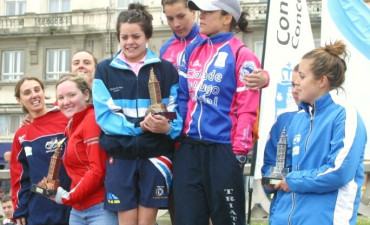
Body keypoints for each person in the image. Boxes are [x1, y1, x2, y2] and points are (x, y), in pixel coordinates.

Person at [172, 0, 262, 224]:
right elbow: (184, 96)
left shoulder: (243, 55)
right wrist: (179, 134)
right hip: (189, 148)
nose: (201, 16)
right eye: (200, 11)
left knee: (227, 220)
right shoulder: (193, 49)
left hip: (223, 150)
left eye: (208, 12)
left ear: (227, 17)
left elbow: (247, 109)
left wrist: (239, 153)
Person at [92, 3, 182, 225]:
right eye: (124, 37)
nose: (130, 42)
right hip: (121, 155)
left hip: (155, 154)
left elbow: (176, 111)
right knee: (127, 221)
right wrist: (139, 126)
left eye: (136, 36)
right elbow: (105, 117)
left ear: (147, 36)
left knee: (146, 222)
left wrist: (168, 127)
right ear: (118, 38)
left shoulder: (165, 69)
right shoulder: (105, 69)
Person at [271, 41, 367, 225]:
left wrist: (291, 180)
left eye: (303, 76)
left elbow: (339, 171)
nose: (296, 82)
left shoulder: (345, 115)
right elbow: (283, 170)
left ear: (322, 81)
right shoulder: (297, 119)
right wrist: (272, 181)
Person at [50, 74, 118, 225]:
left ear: (86, 94)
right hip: (78, 209)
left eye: (71, 95)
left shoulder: (91, 119)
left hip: (100, 208)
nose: (65, 102)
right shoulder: (71, 126)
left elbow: (97, 170)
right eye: (60, 98)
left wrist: (68, 197)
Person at [160, 0, 269, 90]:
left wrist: (264, 78)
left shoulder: (210, 39)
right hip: (177, 113)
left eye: (181, 16)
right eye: (170, 18)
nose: (176, 24)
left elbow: (242, 62)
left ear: (193, 12)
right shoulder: (165, 49)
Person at [10, 77, 71, 225]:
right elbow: (19, 178)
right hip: (39, 212)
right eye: (27, 92)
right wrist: (20, 209)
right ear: (20, 100)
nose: (34, 95)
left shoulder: (67, 118)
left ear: (44, 92)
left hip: (72, 206)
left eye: (37, 90)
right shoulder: (21, 134)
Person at [261, 64, 299, 223]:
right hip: (282, 208)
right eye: (292, 85)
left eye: (299, 84)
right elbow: (269, 163)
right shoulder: (284, 121)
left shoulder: (336, 120)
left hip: (313, 208)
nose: (295, 91)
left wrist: (294, 180)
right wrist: (269, 180)